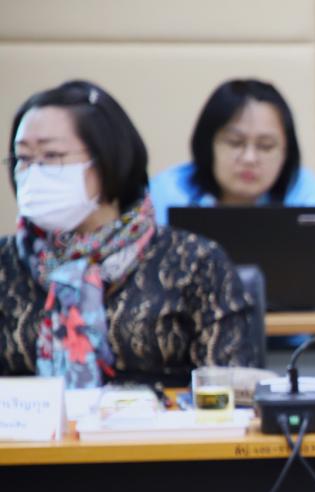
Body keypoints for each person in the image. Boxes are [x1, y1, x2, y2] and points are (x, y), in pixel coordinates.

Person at [0, 80, 255, 388]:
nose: (33, 172)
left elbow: (231, 391)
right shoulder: (6, 263)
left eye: (52, 156)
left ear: (108, 158)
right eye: (23, 158)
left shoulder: (194, 262)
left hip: (162, 418)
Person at [149, 78, 315, 296]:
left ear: (286, 152)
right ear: (208, 144)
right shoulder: (168, 189)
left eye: (266, 146)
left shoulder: (303, 187)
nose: (249, 158)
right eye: (235, 142)